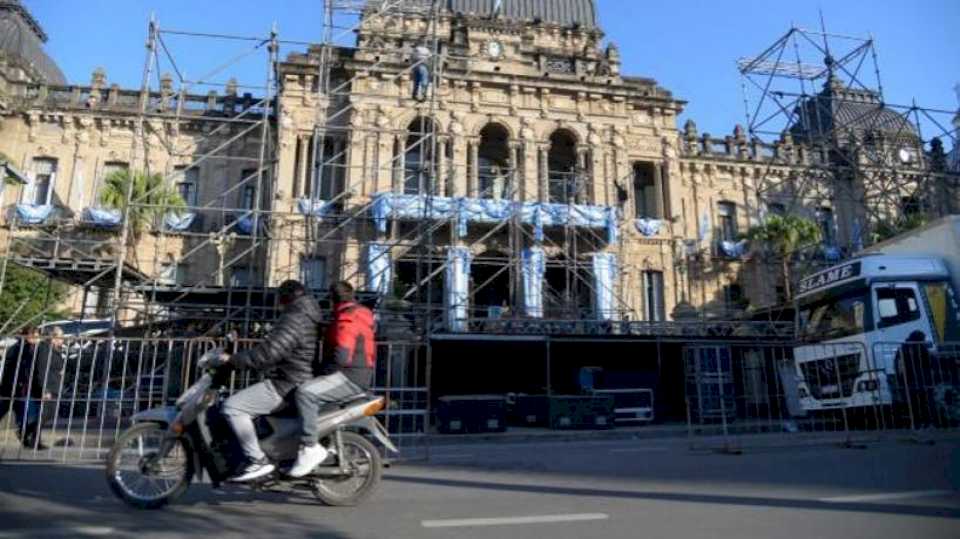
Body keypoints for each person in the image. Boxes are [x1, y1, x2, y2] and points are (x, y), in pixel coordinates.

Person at [220, 280, 322, 482]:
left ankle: (258, 460)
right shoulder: (306, 315)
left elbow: (269, 353)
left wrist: (234, 360)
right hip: (292, 378)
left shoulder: (295, 318)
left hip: (286, 383)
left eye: (280, 298)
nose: (278, 303)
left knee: (233, 407)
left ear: (287, 297)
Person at [288, 281, 376, 478]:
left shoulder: (347, 318)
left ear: (332, 299)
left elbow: (342, 356)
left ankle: (309, 447)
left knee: (306, 393)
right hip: (359, 374)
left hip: (348, 376)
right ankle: (327, 444)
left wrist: (322, 371)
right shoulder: (360, 314)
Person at [0, 326, 64, 450]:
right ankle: (29, 437)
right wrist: (43, 388)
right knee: (8, 410)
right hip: (14, 387)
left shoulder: (33, 348)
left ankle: (29, 438)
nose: (37, 338)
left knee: (31, 415)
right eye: (35, 336)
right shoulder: (20, 349)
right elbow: (35, 369)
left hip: (22, 388)